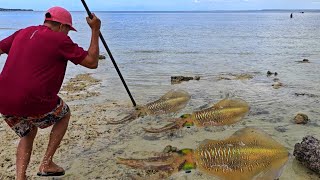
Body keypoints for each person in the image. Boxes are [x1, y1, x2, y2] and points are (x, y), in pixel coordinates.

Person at [0, 6, 101, 180]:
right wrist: (95, 30)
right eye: (68, 30)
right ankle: (46, 163)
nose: (68, 34)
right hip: (31, 100)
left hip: (3, 100)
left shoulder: (23, 32)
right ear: (62, 26)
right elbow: (92, 62)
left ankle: (20, 177)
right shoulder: (60, 40)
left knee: (28, 132)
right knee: (64, 114)